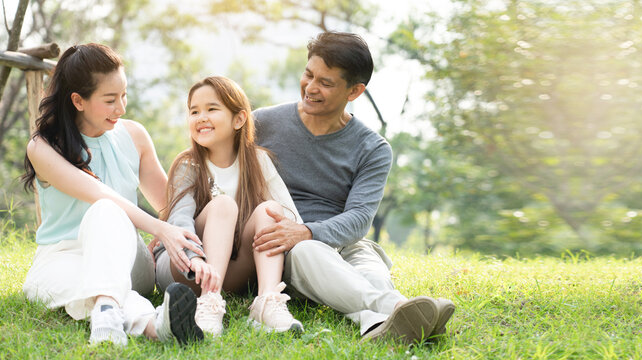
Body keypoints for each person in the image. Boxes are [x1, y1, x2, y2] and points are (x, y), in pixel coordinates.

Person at [252, 31, 456, 344]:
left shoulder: (372, 148)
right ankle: (399, 308)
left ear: (355, 91)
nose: (311, 88)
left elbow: (360, 218)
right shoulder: (263, 123)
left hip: (347, 242)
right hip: (296, 248)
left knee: (370, 269)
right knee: (309, 251)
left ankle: (377, 327)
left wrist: (309, 231)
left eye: (326, 82)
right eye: (309, 75)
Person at [21, 43, 203, 346]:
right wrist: (160, 228)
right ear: (78, 100)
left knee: (106, 212)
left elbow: (167, 206)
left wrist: (169, 229)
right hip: (62, 257)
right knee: (71, 278)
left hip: (126, 258)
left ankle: (107, 310)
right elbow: (95, 190)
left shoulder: (134, 135)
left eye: (124, 95)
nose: (122, 108)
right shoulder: (43, 147)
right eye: (110, 100)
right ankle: (153, 325)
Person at [151, 76, 304, 337]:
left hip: (234, 271)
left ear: (239, 119)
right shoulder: (188, 164)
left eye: (211, 109)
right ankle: (208, 303)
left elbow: (291, 220)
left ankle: (267, 302)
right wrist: (195, 258)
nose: (201, 117)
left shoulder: (258, 161)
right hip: (185, 268)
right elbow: (179, 218)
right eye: (194, 111)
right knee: (223, 205)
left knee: (271, 210)